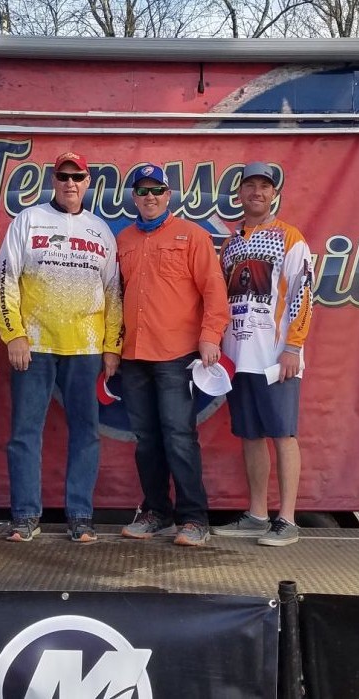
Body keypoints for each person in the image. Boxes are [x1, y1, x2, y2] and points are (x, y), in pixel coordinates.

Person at [0, 151, 123, 543]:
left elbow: (113, 292)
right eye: (63, 176)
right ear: (53, 180)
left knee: (86, 432)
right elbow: (4, 277)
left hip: (86, 349)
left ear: (87, 182)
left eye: (77, 177)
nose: (70, 183)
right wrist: (14, 334)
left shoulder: (100, 230)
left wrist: (112, 346)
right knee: (24, 432)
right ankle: (25, 516)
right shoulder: (28, 219)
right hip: (34, 345)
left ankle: (81, 515)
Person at [116, 163, 230, 547]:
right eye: (142, 191)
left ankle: (194, 518)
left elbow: (214, 290)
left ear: (168, 195)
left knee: (179, 436)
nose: (149, 197)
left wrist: (210, 337)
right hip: (133, 355)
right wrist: (112, 347)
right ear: (134, 197)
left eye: (156, 191)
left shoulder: (192, 235)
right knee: (146, 439)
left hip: (176, 355)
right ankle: (156, 512)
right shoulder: (124, 239)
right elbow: (114, 295)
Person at [212, 162, 314, 547]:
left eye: (264, 186)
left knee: (283, 434)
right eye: (250, 185)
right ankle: (257, 515)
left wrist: (293, 347)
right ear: (239, 193)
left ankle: (287, 519)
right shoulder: (230, 245)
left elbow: (303, 293)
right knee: (250, 435)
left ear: (274, 194)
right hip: (238, 357)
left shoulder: (289, 237)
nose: (257, 192)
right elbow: (221, 300)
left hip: (275, 357)